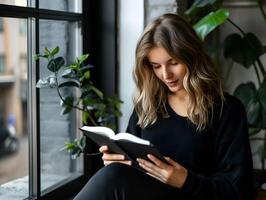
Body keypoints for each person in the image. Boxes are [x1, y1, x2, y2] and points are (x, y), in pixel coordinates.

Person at [74, 13, 253, 200]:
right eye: (156, 66)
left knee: (113, 178)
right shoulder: (149, 106)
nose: (166, 74)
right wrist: (116, 160)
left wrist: (185, 180)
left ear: (192, 57)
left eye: (173, 63)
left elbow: (238, 191)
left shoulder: (227, 110)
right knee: (114, 173)